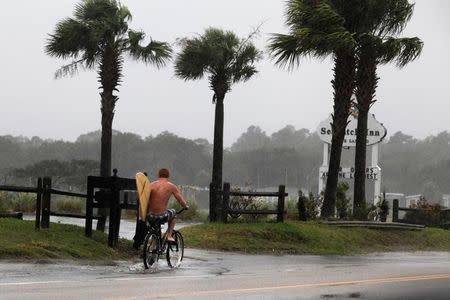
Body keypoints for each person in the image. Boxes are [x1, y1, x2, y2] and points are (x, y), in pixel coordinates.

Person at [147, 168, 189, 242]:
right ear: (168, 175)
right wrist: (185, 206)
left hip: (150, 216)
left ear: (159, 175)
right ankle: (169, 235)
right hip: (162, 216)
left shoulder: (151, 185)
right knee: (174, 213)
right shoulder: (171, 186)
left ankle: (153, 246)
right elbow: (180, 200)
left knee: (155, 229)